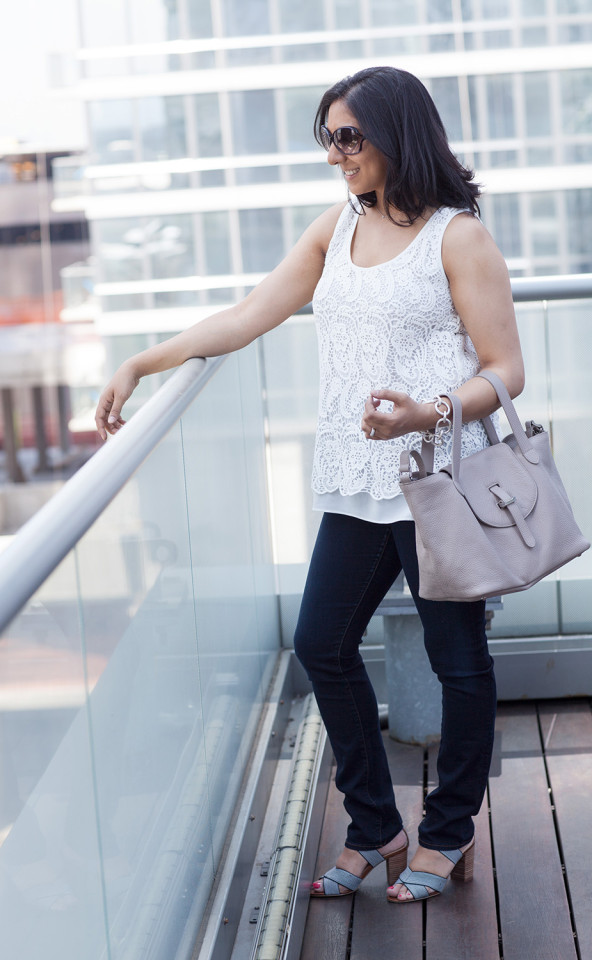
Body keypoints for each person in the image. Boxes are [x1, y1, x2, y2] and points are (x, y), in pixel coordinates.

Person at [95, 66, 524, 904]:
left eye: (349, 137)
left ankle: (447, 835)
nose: (335, 154)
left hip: (434, 476)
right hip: (354, 482)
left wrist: (425, 412)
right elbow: (248, 314)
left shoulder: (458, 237)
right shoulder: (336, 227)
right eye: (327, 137)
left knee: (457, 660)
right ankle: (375, 827)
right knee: (320, 644)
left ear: (398, 134)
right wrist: (144, 360)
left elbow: (508, 369)